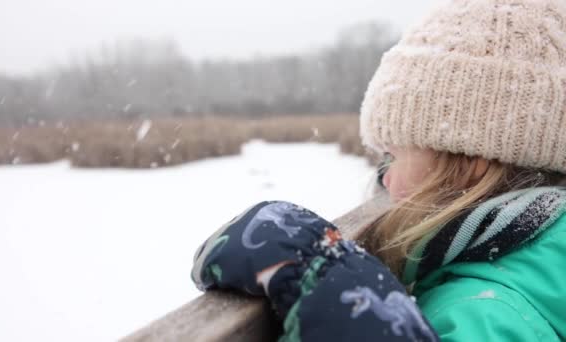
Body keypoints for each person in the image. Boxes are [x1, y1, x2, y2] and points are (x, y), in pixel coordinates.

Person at [191, 0, 566, 340]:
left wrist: (328, 285)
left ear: (469, 162)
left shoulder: (484, 312)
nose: (383, 178)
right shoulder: (540, 271)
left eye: (393, 155)